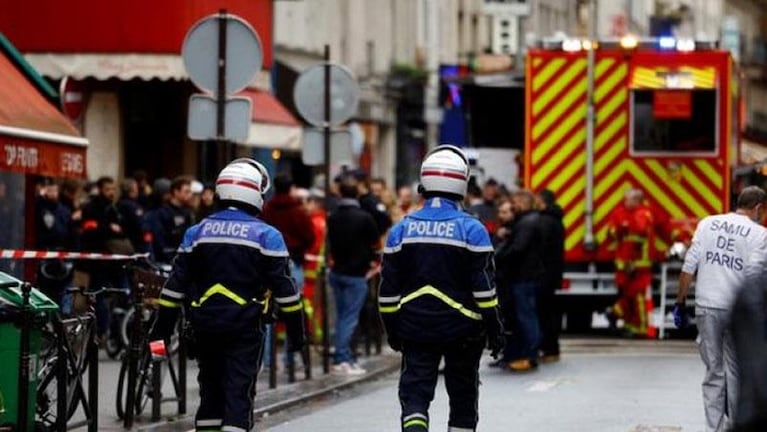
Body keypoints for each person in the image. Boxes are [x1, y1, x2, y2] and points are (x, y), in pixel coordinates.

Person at [153, 158, 306, 432]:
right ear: (255, 193)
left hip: (203, 327)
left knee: (210, 396)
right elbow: (287, 294)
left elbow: (172, 290)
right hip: (245, 330)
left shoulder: (195, 233)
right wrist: (297, 335)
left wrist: (159, 335)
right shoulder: (267, 236)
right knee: (238, 397)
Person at [378, 145, 504, 432]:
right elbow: (484, 290)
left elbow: (387, 292)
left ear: (424, 181)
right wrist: (495, 329)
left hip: (415, 326)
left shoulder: (401, 229)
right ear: (463, 182)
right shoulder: (473, 229)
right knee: (462, 397)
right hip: (464, 330)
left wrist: (392, 329)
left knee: (415, 396)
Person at [674, 186, 767, 432]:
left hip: (707, 306)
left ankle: (712, 428)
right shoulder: (759, 234)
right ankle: (737, 425)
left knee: (713, 372)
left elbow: (688, 267)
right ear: (758, 208)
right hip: (736, 310)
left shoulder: (708, 224)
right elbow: (754, 277)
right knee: (737, 371)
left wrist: (680, 302)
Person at [326, 177, 380, 375]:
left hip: (337, 271)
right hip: (357, 274)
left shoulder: (332, 216)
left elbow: (330, 242)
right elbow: (375, 243)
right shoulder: (364, 217)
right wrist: (372, 261)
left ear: (340, 194)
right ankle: (342, 358)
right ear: (356, 194)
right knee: (349, 318)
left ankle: (345, 356)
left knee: (342, 317)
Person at [495, 189, 544, 371]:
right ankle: (525, 354)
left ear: (522, 202)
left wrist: (498, 257)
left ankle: (530, 356)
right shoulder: (527, 221)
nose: (513, 206)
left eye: (515, 202)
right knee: (525, 316)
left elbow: (518, 249)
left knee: (526, 317)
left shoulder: (527, 223)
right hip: (525, 276)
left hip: (523, 277)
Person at [605, 188, 655, 338]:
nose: (625, 202)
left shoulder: (643, 214)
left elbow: (639, 232)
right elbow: (611, 231)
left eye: (628, 199)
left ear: (636, 200)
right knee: (627, 296)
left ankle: (639, 328)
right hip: (624, 265)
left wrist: (624, 227)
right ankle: (626, 322)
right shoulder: (620, 213)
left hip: (638, 265)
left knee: (637, 297)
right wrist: (617, 230)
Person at [535, 189, 565, 363]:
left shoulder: (545, 221)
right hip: (552, 273)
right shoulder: (555, 220)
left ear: (541, 201)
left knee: (544, 313)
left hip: (543, 273)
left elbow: (540, 248)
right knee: (548, 312)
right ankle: (550, 348)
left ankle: (549, 348)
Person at [146, 176, 195, 263]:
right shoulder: (161, 213)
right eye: (187, 191)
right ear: (176, 192)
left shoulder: (189, 212)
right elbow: (159, 241)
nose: (190, 194)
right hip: (167, 260)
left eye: (190, 191)